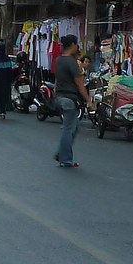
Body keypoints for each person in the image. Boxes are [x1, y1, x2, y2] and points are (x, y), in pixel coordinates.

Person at [53, 35, 91, 168]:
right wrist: (89, 101)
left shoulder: (58, 60)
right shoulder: (72, 63)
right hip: (69, 99)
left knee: (73, 127)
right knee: (69, 129)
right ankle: (65, 159)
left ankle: (62, 153)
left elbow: (57, 81)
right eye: (77, 45)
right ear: (73, 45)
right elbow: (80, 84)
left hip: (60, 97)